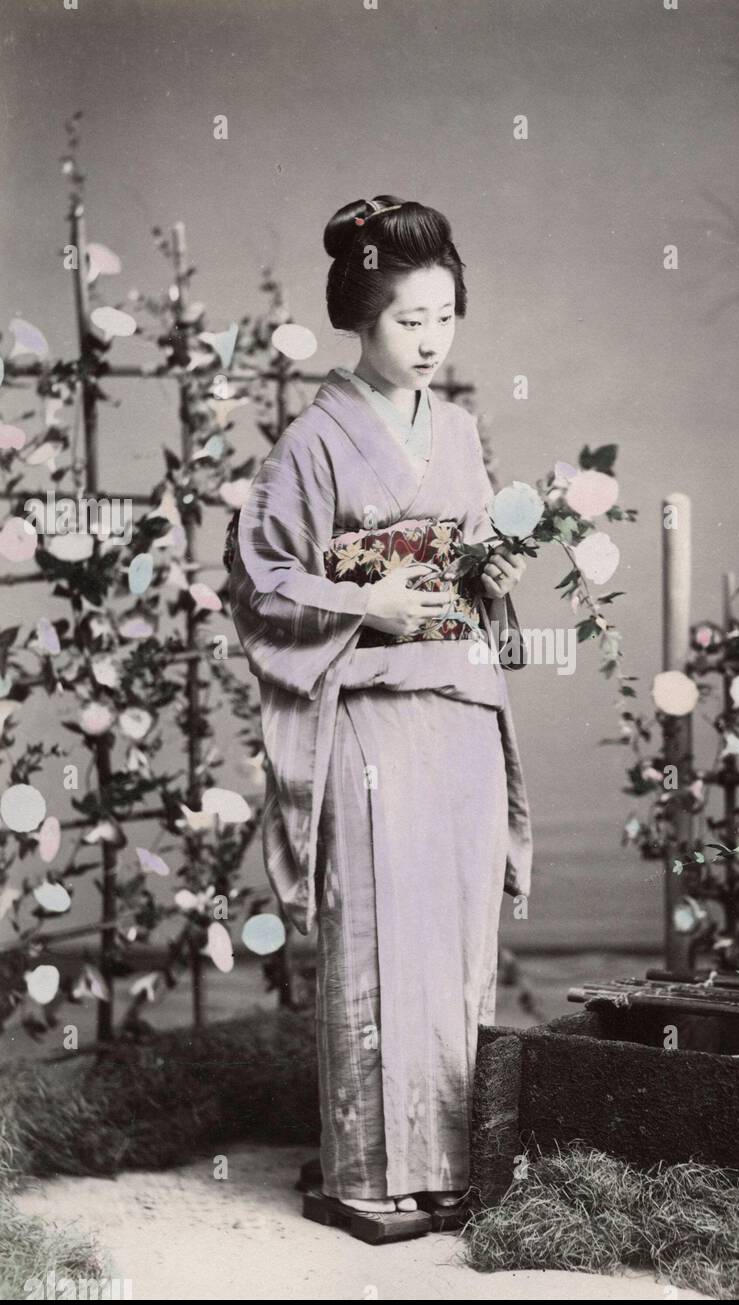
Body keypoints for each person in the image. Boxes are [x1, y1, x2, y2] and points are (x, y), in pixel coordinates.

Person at [226, 196, 533, 1219]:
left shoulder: (456, 428)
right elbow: (261, 579)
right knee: (377, 940)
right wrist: (367, 601)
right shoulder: (314, 441)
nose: (431, 339)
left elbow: (482, 565)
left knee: (453, 949)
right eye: (410, 319)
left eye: (445, 315)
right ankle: (371, 1176)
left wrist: (494, 564)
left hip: (459, 716)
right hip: (369, 720)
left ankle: (457, 1164)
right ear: (362, 318)